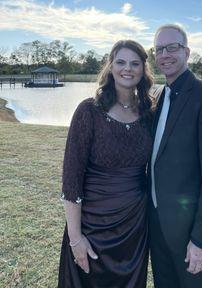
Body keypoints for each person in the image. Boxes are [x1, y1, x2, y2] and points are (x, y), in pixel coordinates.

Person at [58, 40, 153, 288]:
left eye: (135, 63)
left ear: (143, 69)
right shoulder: (89, 111)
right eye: (121, 62)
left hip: (134, 227)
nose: (128, 69)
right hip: (92, 226)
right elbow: (71, 179)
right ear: (110, 67)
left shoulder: (149, 113)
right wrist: (76, 238)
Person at [149, 24, 202, 288]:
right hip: (158, 228)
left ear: (187, 52)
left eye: (172, 47)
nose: (165, 54)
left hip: (191, 235)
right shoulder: (159, 96)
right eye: (159, 49)